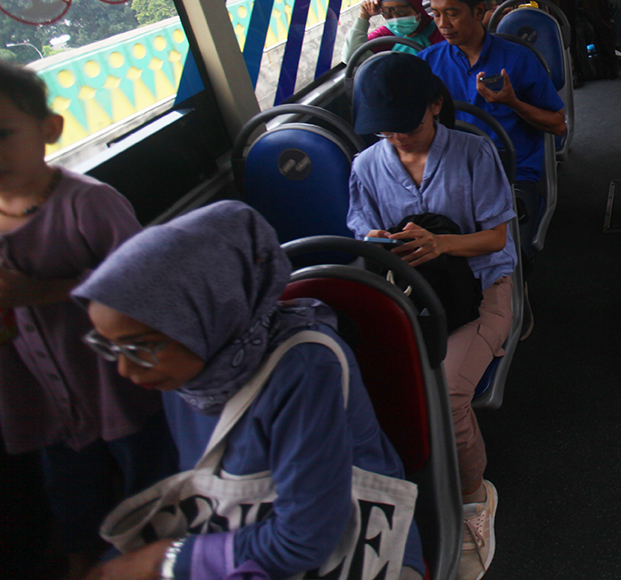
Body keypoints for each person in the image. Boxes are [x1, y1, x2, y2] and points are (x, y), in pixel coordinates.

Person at [74, 202, 425, 580]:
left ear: (203, 314)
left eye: (139, 347)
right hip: (243, 524)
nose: (125, 370)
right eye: (113, 348)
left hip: (348, 543)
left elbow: (305, 538)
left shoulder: (302, 367)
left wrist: (166, 558)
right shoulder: (186, 367)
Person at [0, 61, 173, 580]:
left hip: (120, 387)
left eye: (3, 134)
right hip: (45, 400)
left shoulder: (90, 206)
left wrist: (42, 292)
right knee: (71, 498)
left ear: (49, 129)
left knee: (150, 491)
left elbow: (145, 285)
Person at [347, 52, 517, 580]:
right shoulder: (366, 166)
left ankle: (474, 496)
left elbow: (496, 238)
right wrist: (377, 240)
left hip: (481, 288)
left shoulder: (473, 153)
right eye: (386, 130)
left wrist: (441, 244)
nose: (397, 137)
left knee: (444, 393)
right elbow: (363, 232)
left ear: (436, 106)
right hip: (410, 291)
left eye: (408, 124)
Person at [419, 0, 566, 266]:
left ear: (478, 11)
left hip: (510, 172)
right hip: (450, 171)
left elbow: (557, 124)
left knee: (510, 254)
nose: (443, 24)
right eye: (436, 14)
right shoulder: (427, 63)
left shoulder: (518, 59)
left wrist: (513, 103)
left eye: (452, 13)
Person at [344, 0, 441, 59]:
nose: (396, 20)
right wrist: (364, 17)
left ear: (417, 7)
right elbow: (352, 57)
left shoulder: (439, 29)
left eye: (402, 12)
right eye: (388, 15)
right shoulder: (387, 35)